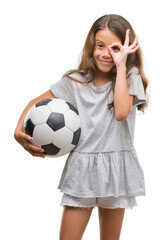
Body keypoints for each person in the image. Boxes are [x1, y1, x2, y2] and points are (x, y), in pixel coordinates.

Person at [14, 14, 148, 240]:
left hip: (116, 170)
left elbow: (122, 112)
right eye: (100, 46)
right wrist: (18, 133)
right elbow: (32, 104)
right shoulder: (76, 81)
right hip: (82, 171)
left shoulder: (129, 76)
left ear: (125, 50)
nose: (106, 53)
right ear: (91, 46)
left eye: (114, 47)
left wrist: (122, 66)